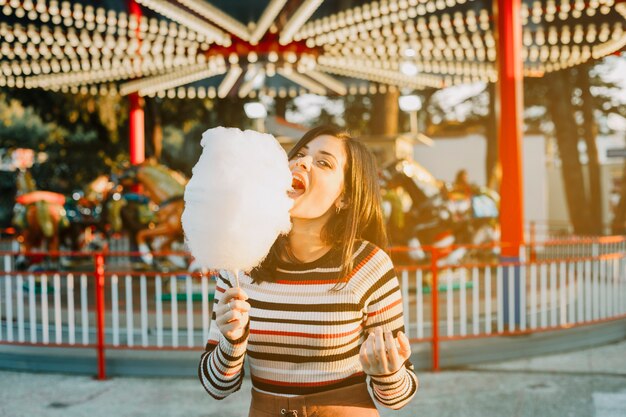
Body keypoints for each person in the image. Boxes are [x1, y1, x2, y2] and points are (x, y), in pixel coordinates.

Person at [198, 126, 418, 416]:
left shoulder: (368, 265)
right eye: (299, 155)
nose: (301, 163)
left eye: (323, 162)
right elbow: (217, 388)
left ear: (346, 197)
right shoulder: (240, 260)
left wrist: (387, 373)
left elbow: (397, 398)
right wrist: (232, 339)